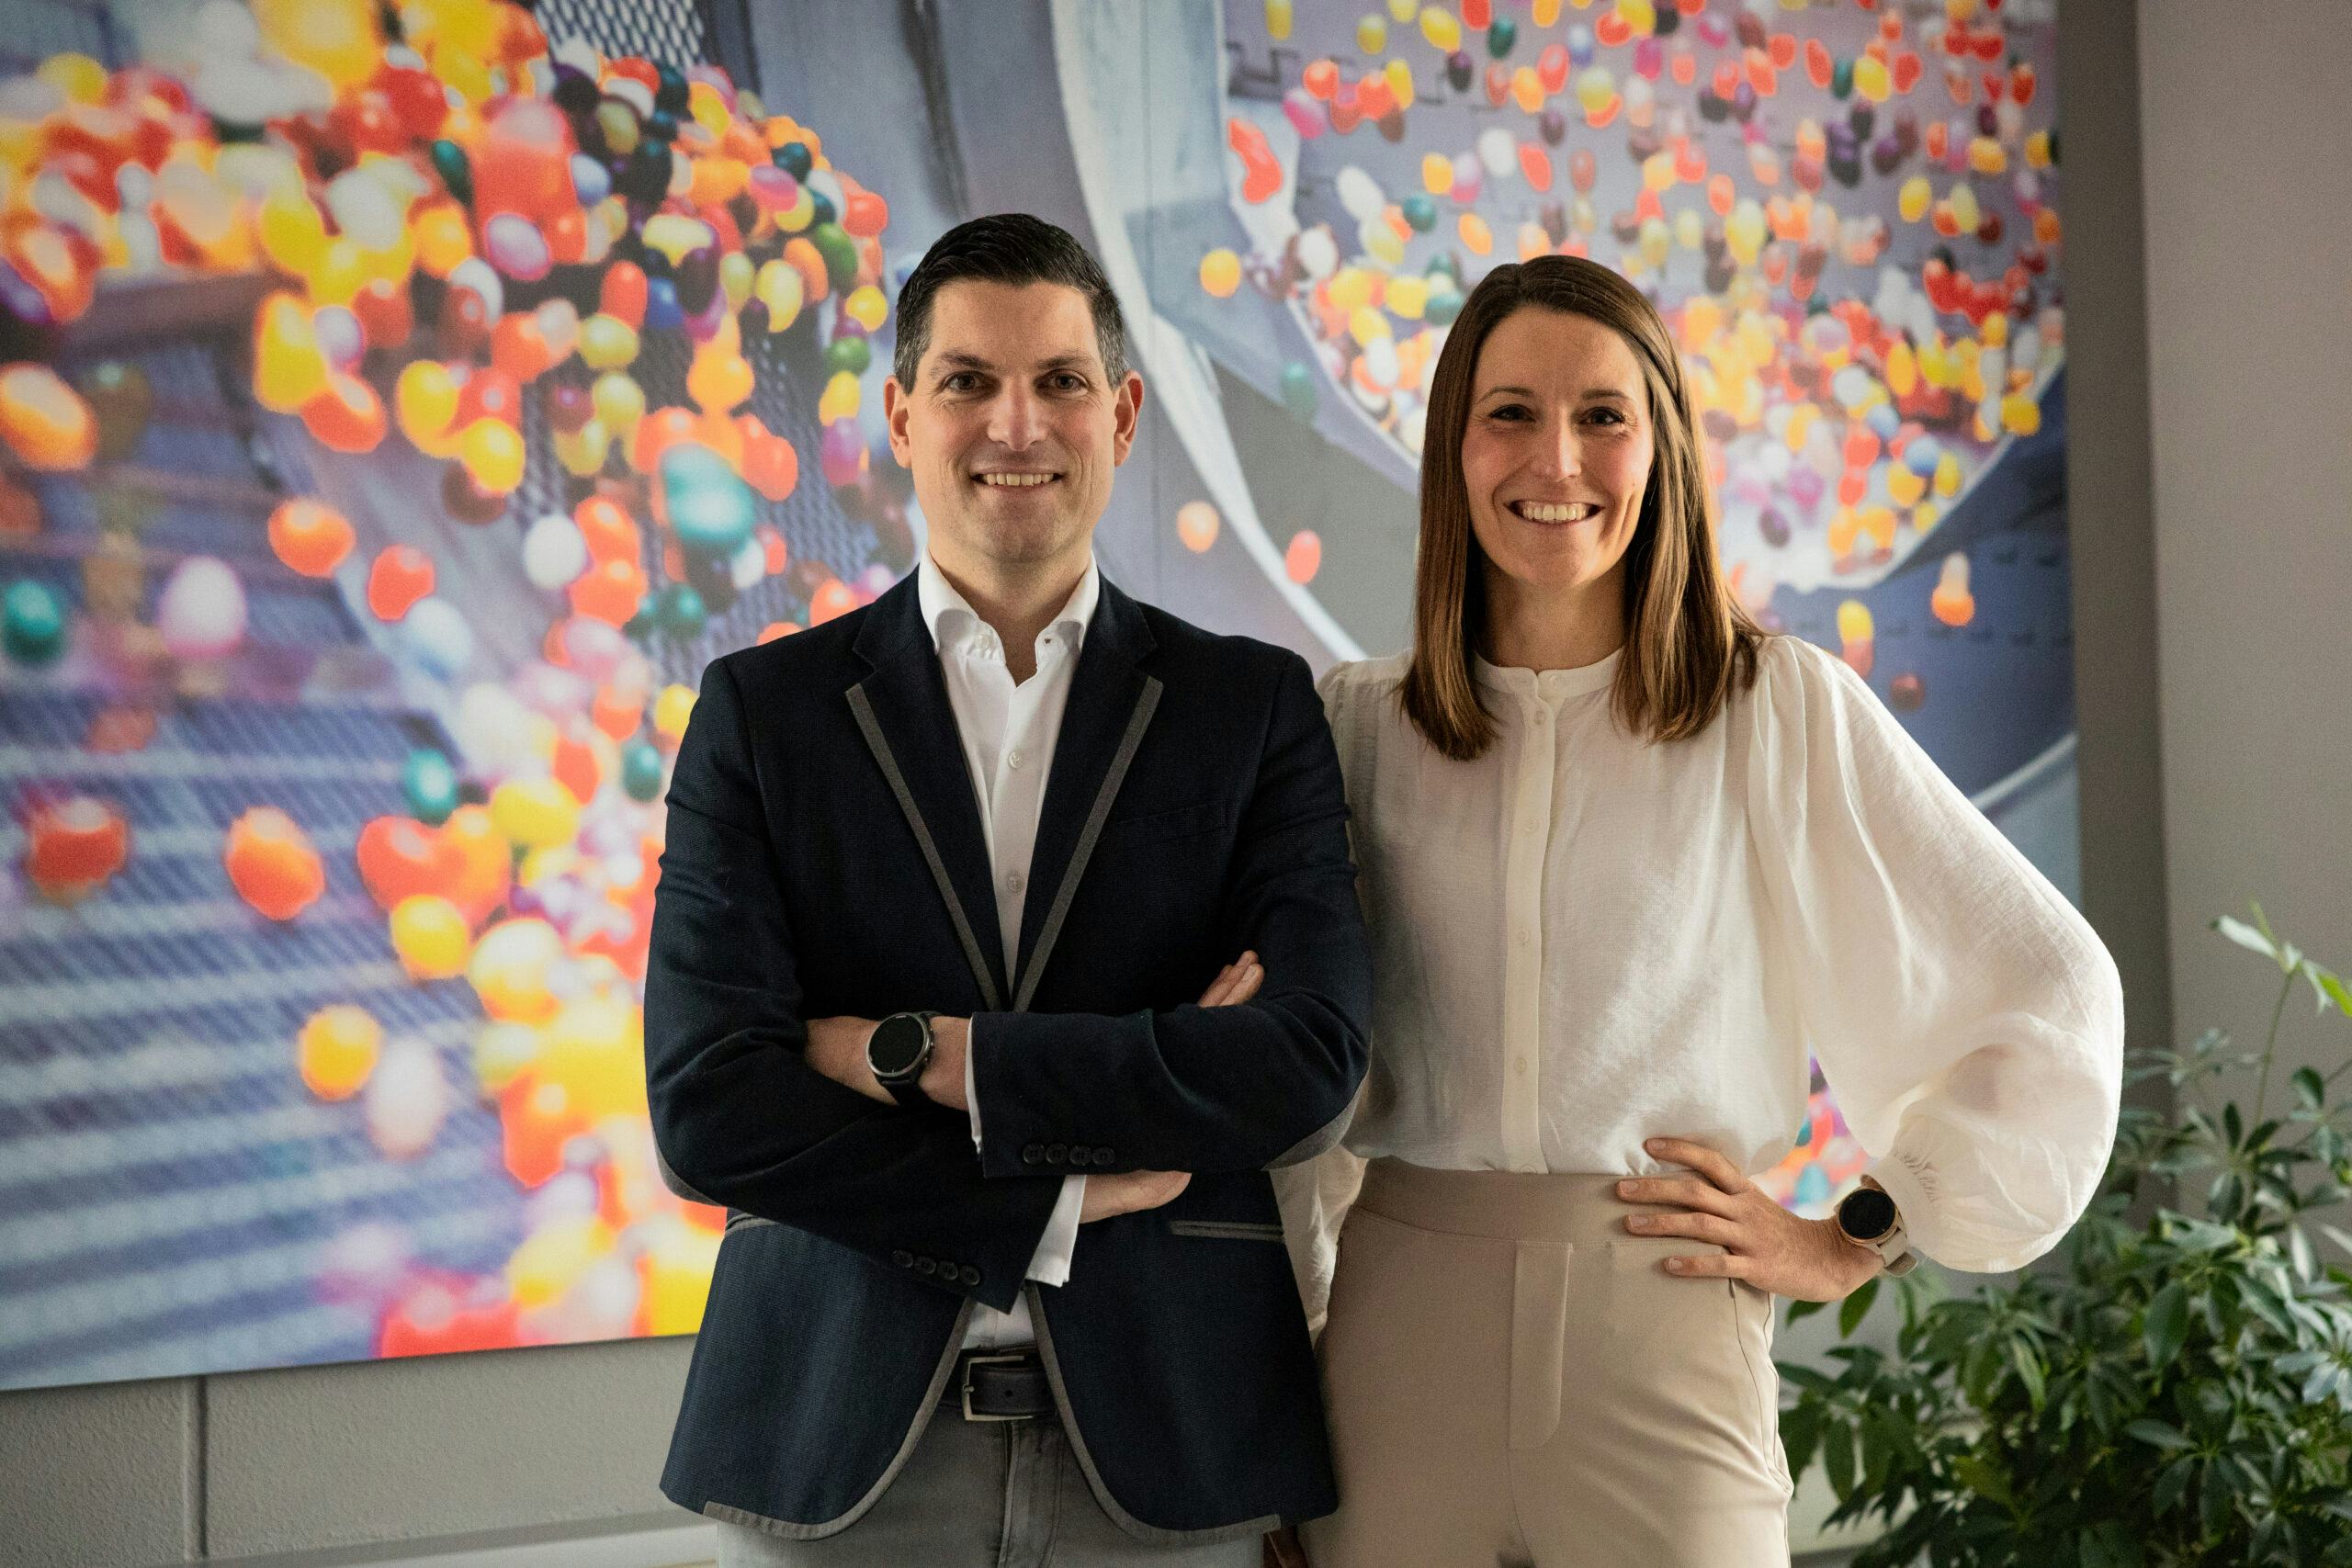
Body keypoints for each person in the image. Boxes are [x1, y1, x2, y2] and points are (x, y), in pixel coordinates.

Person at [1279, 254, 2124, 1568]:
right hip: (1394, 1355)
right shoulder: (1353, 727)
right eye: (1510, 412)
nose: (1556, 458)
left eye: (1602, 416)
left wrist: (1861, 1232)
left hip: (1666, 1336)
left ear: (1661, 448)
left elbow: (2051, 987)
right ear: (1453, 447)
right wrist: (1279, 1382)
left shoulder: (1771, 709)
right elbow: (1292, 1089)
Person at [643, 213, 1373, 1567]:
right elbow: (708, 1109)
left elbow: (1305, 1069)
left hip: (1171, 1455)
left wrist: (929, 1058)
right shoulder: (763, 713)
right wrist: (1059, 1192)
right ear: (903, 416)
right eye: (970, 381)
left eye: (1061, 382)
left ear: (1125, 414)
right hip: (837, 1457)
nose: (1016, 424)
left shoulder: (1251, 708)